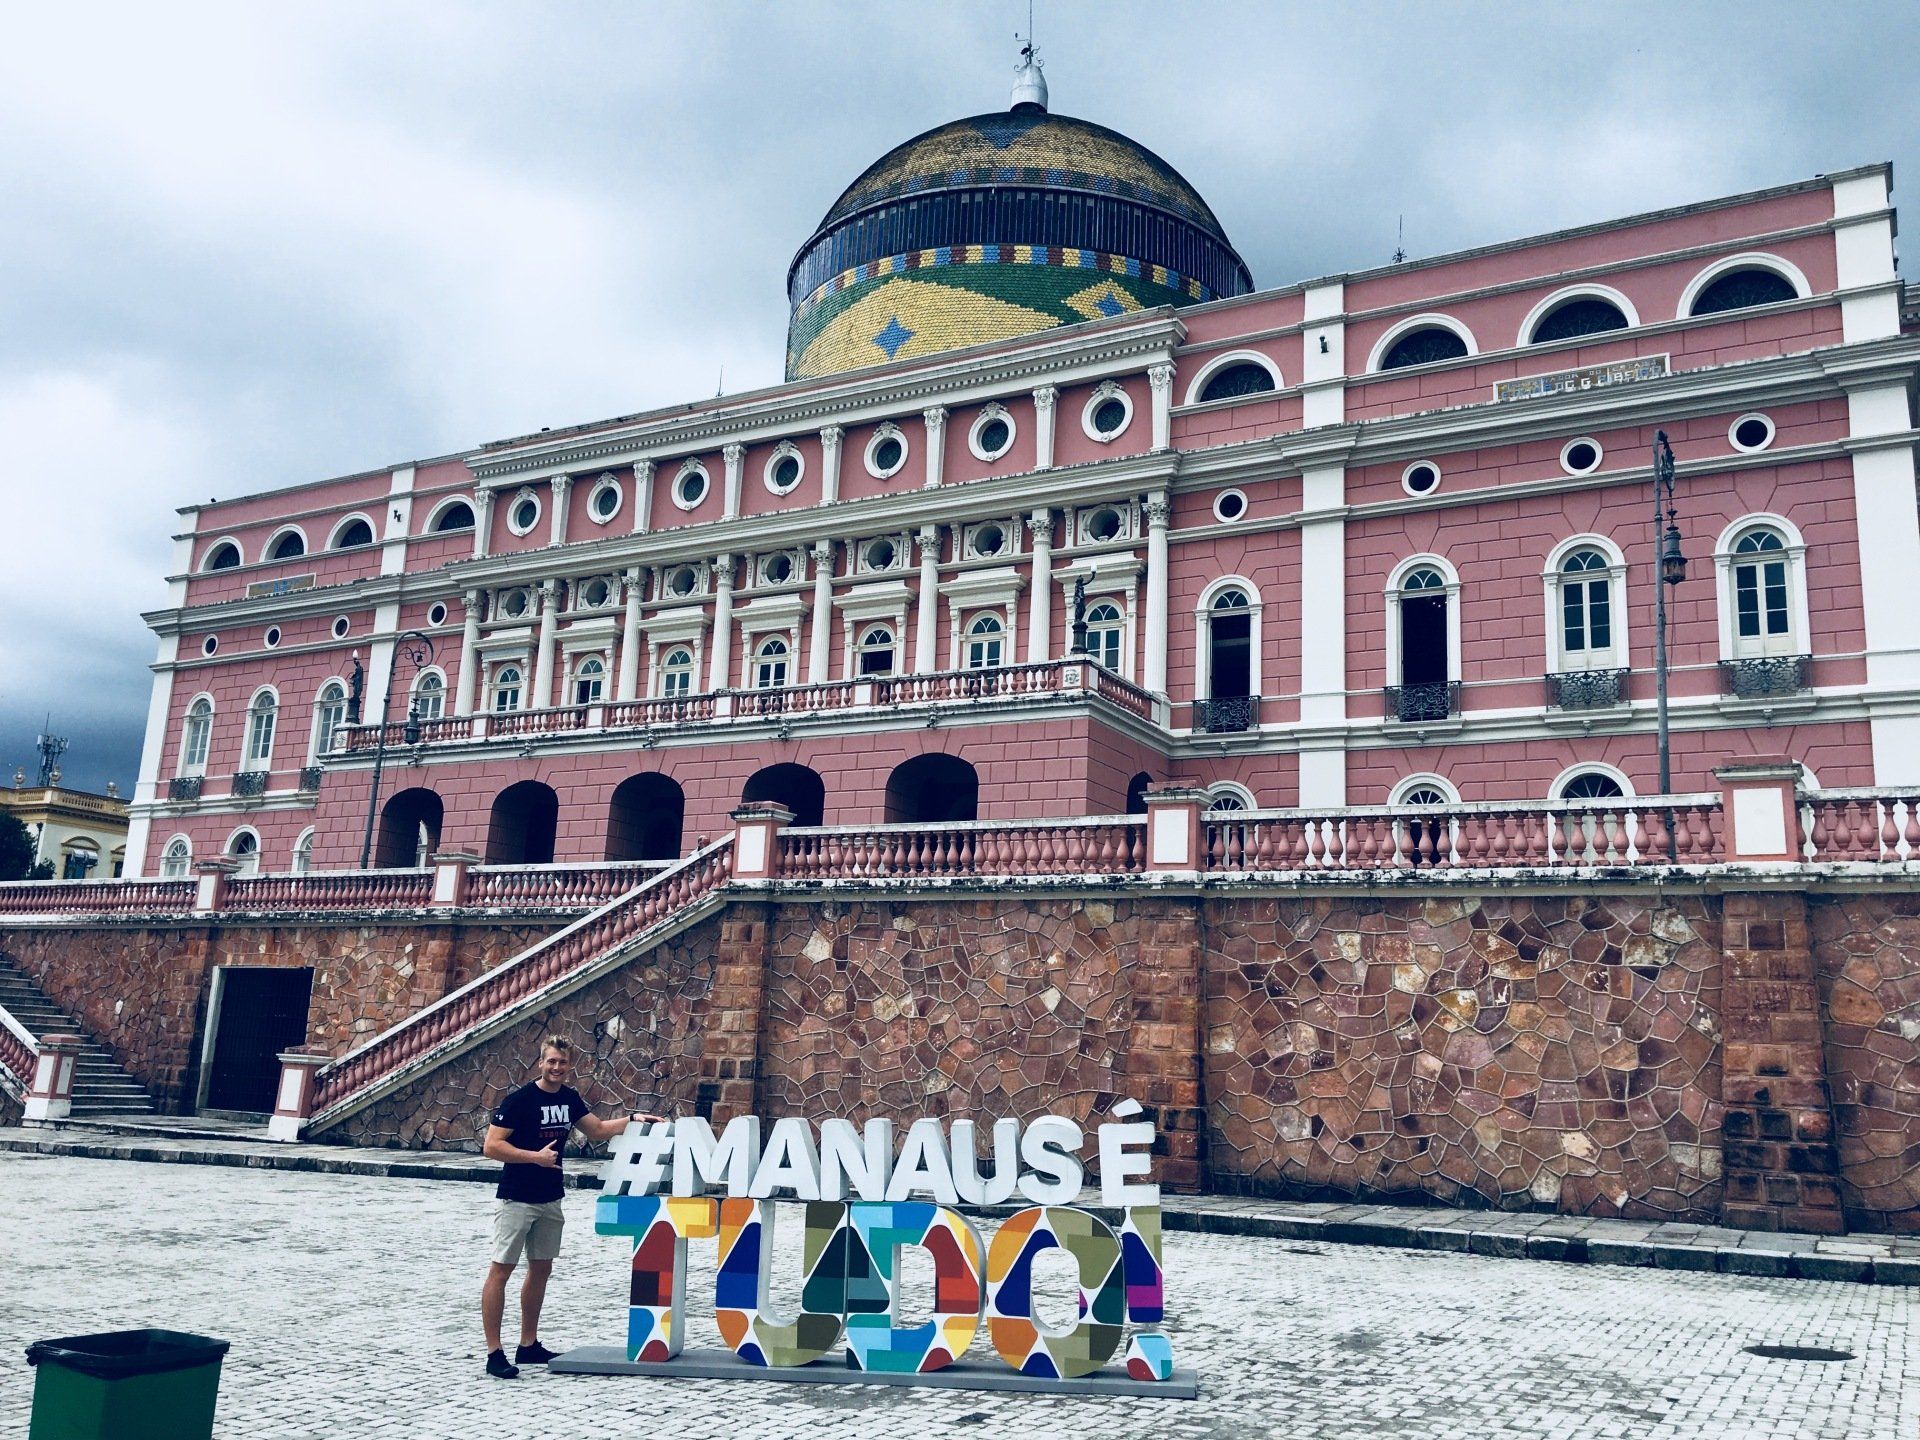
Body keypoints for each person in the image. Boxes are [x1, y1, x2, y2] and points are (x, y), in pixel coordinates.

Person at [479, 1034, 659, 1379]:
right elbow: (491, 1146)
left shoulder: (569, 1098)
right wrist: (535, 1157)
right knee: (501, 1271)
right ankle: (494, 1352)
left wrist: (634, 1119)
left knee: (541, 1269)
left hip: (550, 1198)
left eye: (562, 1062)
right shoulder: (520, 1100)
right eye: (551, 1061)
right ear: (540, 1062)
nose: (556, 1067)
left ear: (569, 1065)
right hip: (517, 1197)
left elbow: (597, 1130)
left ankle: (528, 1345)